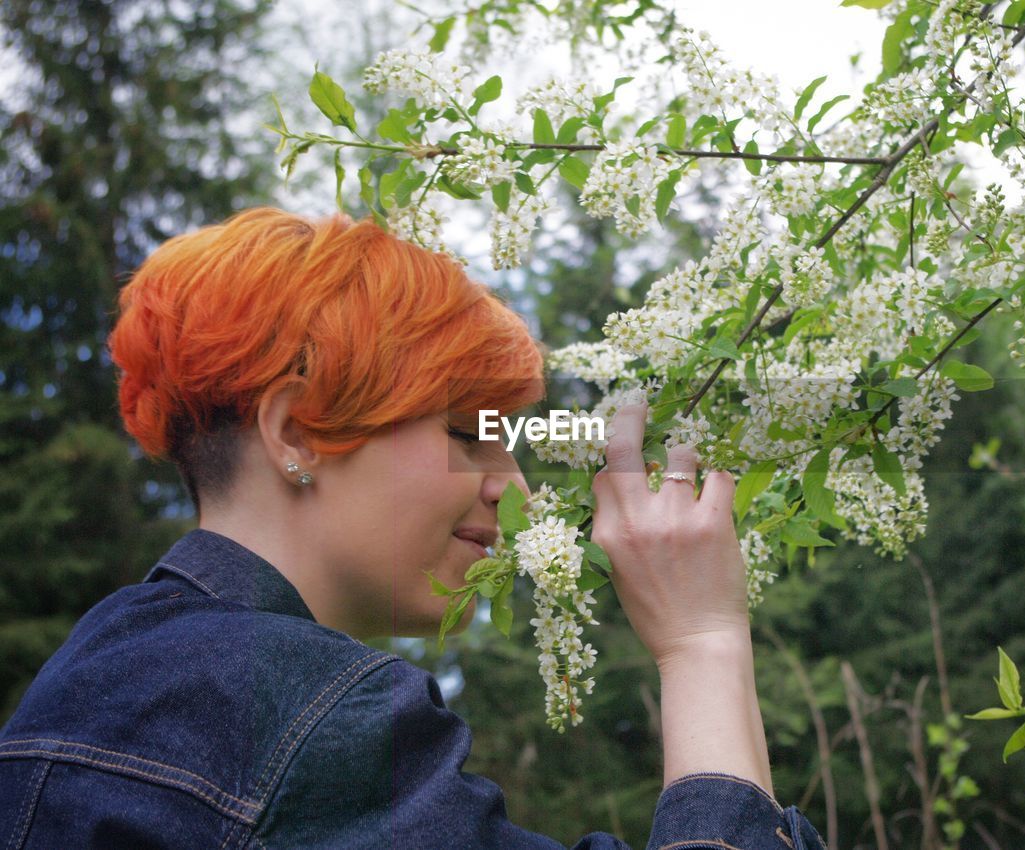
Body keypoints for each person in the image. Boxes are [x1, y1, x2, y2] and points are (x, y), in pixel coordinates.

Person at [0, 207, 826, 849]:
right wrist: (702, 643)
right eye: (469, 434)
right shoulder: (308, 716)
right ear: (295, 433)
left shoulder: (91, 672)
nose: (516, 491)